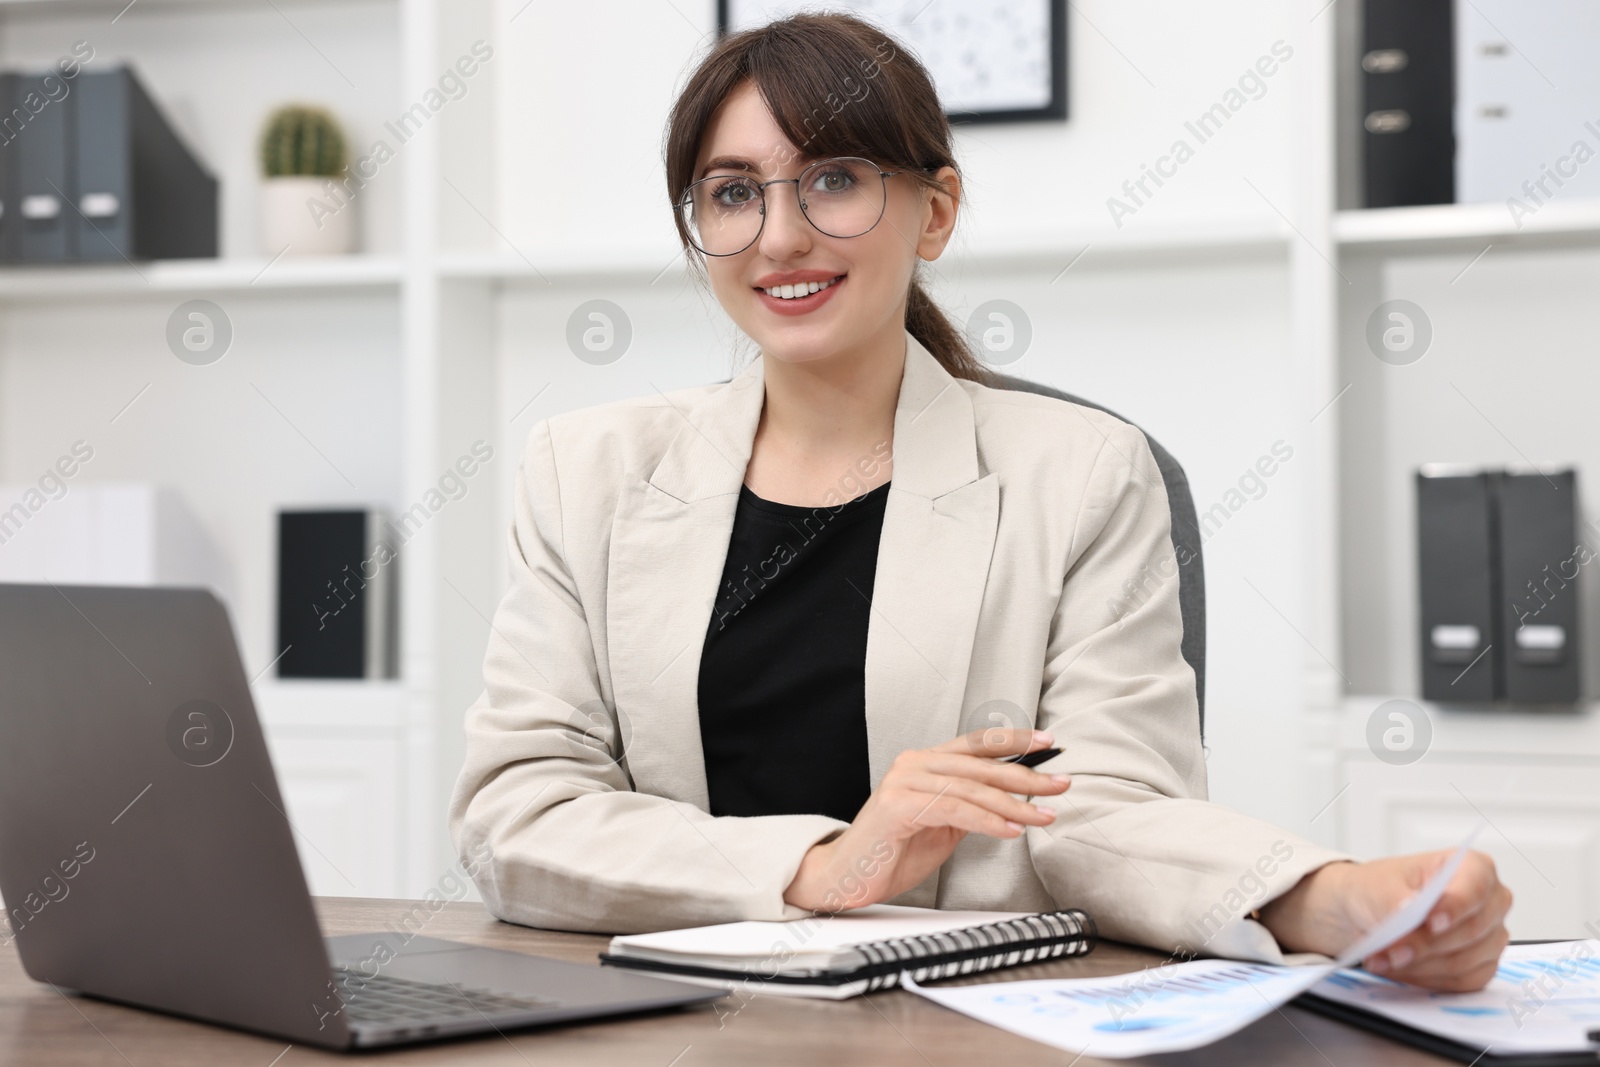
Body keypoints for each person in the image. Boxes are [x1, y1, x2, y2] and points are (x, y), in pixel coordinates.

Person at [449, 12, 1510, 993]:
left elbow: (1100, 810)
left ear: (936, 210)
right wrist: (826, 861)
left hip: (962, 1022)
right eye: (732, 192)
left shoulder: (1084, 471)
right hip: (661, 1017)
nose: (778, 237)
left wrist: (1321, 895)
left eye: (833, 179)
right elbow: (519, 815)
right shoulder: (582, 469)